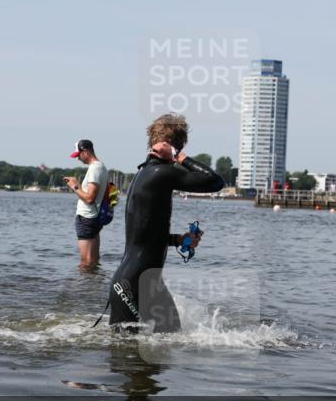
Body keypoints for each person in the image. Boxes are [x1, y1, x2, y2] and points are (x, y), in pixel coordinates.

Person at [107, 113, 224, 332]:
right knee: (129, 361)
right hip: (133, 284)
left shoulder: (144, 174)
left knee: (166, 344)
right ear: (171, 146)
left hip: (141, 282)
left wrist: (179, 239)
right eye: (178, 147)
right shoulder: (162, 173)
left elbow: (144, 236)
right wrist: (180, 156)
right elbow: (216, 181)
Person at [64, 139, 108, 269]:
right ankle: (93, 287)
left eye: (78, 155)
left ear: (86, 151)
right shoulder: (101, 167)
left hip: (87, 218)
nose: (78, 159)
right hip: (94, 217)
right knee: (93, 259)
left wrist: (75, 187)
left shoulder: (95, 168)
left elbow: (90, 198)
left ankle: (84, 287)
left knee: (86, 261)